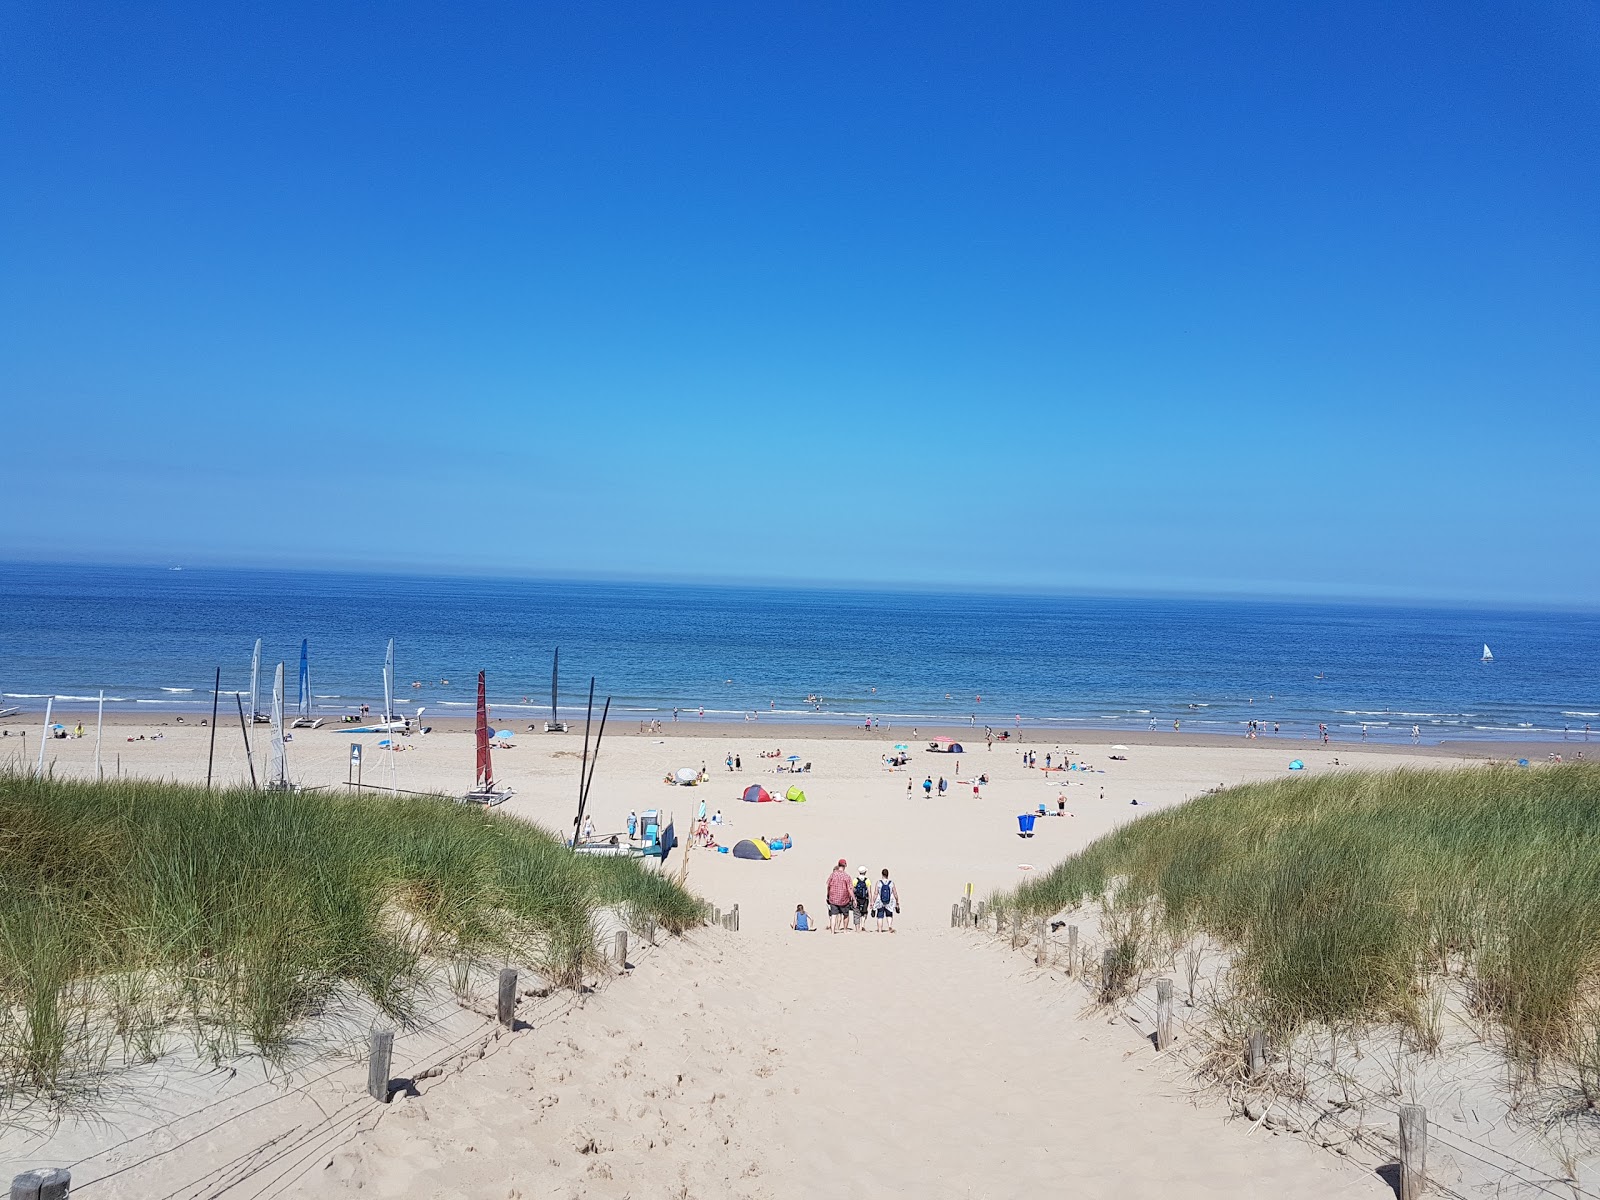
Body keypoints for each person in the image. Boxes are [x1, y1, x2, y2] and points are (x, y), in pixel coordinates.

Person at [826, 859, 853, 932]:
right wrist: (854, 898)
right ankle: (845, 930)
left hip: (833, 898)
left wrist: (828, 894)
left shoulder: (833, 874)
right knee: (846, 915)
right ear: (845, 866)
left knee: (834, 915)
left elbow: (828, 885)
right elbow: (850, 889)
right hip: (844, 899)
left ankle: (832, 931)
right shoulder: (847, 876)